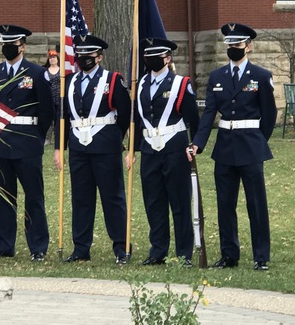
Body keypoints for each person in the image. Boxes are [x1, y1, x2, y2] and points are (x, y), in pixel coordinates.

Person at [187, 22, 277, 271]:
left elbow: (269, 115)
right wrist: (197, 144)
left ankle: (261, 256)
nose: (232, 48)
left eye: (237, 44)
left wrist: (259, 141)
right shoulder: (217, 77)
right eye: (229, 44)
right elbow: (209, 115)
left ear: (248, 47)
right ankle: (229, 255)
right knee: (225, 204)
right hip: (225, 147)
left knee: (255, 204)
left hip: (251, 146)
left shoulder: (261, 76)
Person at [54, 34, 132, 265]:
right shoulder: (68, 82)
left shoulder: (113, 80)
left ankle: (122, 248)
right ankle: (80, 248)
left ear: (98, 57)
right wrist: (60, 148)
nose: (83, 58)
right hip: (78, 147)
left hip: (106, 146)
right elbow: (63, 117)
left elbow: (125, 114)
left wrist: (114, 137)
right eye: (80, 54)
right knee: (81, 199)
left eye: (88, 55)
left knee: (113, 198)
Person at [126, 38, 199, 267]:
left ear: (168, 58)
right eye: (148, 56)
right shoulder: (140, 84)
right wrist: (133, 149)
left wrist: (194, 144)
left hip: (175, 148)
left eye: (157, 56)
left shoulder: (180, 83)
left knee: (179, 202)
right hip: (149, 149)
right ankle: (158, 250)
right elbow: (137, 120)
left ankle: (183, 252)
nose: (151, 60)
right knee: (154, 202)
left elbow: (193, 118)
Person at [0, 24, 54, 261]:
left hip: (28, 144)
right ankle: (4, 247)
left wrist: (37, 136)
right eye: (4, 44)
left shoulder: (36, 73)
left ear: (22, 46)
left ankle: (38, 247)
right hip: (1, 143)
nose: (7, 48)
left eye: (11, 45)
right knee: (3, 197)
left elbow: (47, 110)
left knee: (33, 196)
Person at [43, 49, 60, 144]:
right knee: (49, 119)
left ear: (57, 58)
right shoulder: (45, 71)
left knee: (58, 119)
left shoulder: (62, 70)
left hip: (59, 98)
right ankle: (47, 138)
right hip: (49, 98)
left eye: (54, 57)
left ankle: (57, 138)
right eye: (50, 58)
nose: (52, 59)